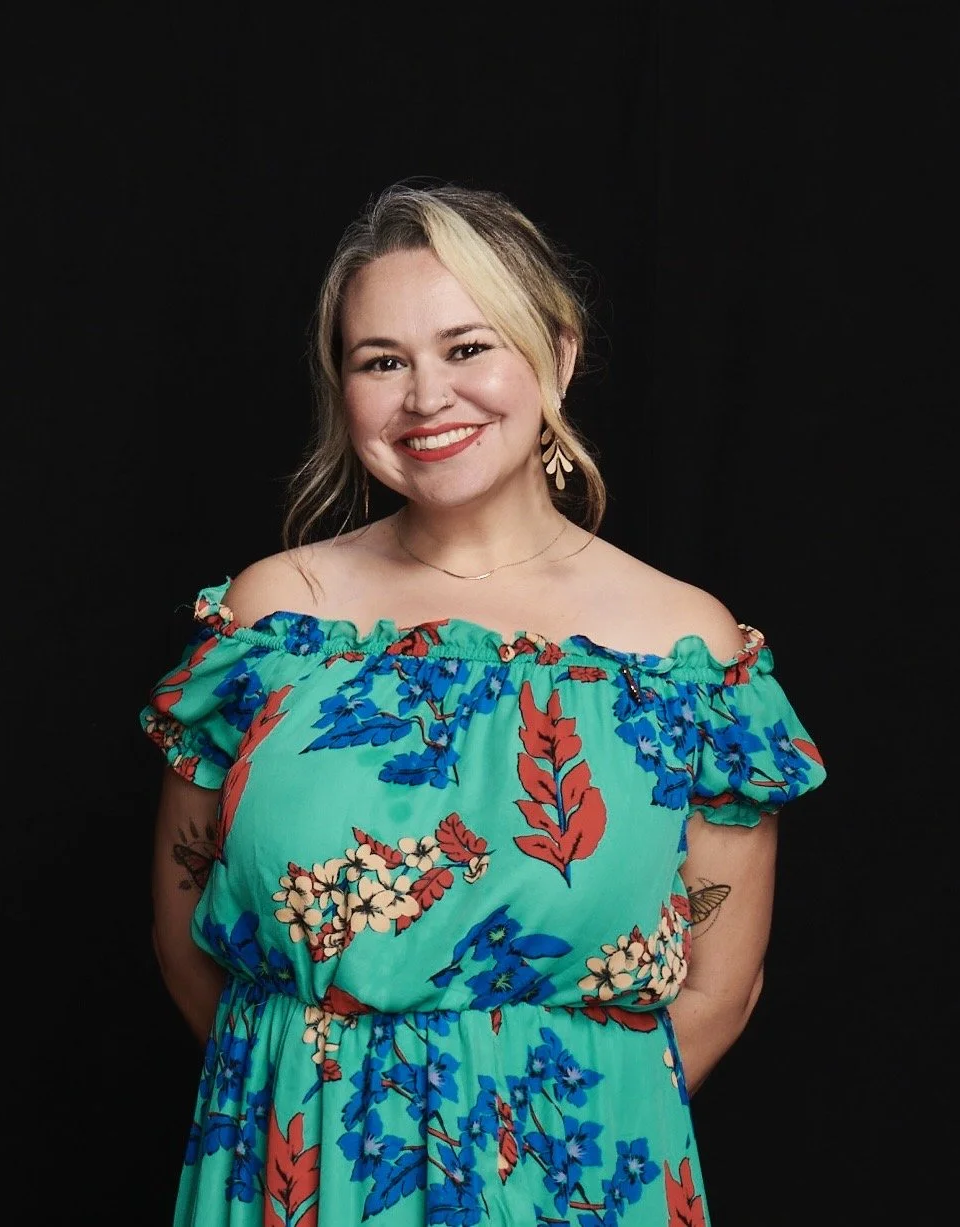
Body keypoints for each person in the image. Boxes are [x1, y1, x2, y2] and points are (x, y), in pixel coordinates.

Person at [139, 178, 826, 1227]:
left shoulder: (687, 648)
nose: (427, 399)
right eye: (383, 361)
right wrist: (326, 1107)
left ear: (555, 354)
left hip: (580, 1181)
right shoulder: (272, 619)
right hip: (298, 1163)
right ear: (345, 390)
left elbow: (719, 992)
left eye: (467, 348)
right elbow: (189, 940)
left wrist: (529, 1149)